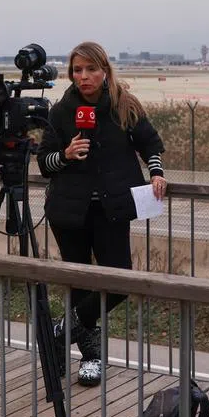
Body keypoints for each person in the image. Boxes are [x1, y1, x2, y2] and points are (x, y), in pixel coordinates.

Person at [37, 41, 166, 387]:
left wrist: (156, 172)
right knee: (80, 284)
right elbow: (44, 163)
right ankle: (91, 357)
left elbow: (150, 144)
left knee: (119, 281)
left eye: (90, 69)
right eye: (77, 70)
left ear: (105, 71)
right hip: (69, 209)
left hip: (112, 209)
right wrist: (65, 154)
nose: (84, 77)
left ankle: (62, 330)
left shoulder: (124, 105)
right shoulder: (63, 110)